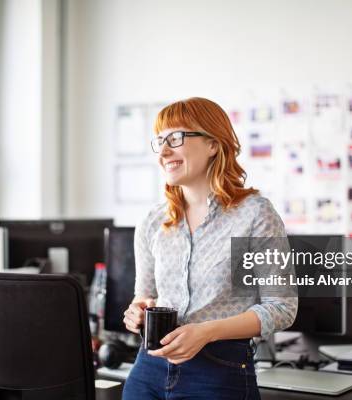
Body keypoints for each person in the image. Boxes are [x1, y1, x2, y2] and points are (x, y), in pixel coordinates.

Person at [122, 97, 298, 399]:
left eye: (175, 138)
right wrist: (136, 312)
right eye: (160, 140)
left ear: (213, 144)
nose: (164, 151)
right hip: (148, 372)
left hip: (219, 371)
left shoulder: (255, 214)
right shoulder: (152, 221)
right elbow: (144, 297)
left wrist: (205, 332)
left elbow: (281, 308)